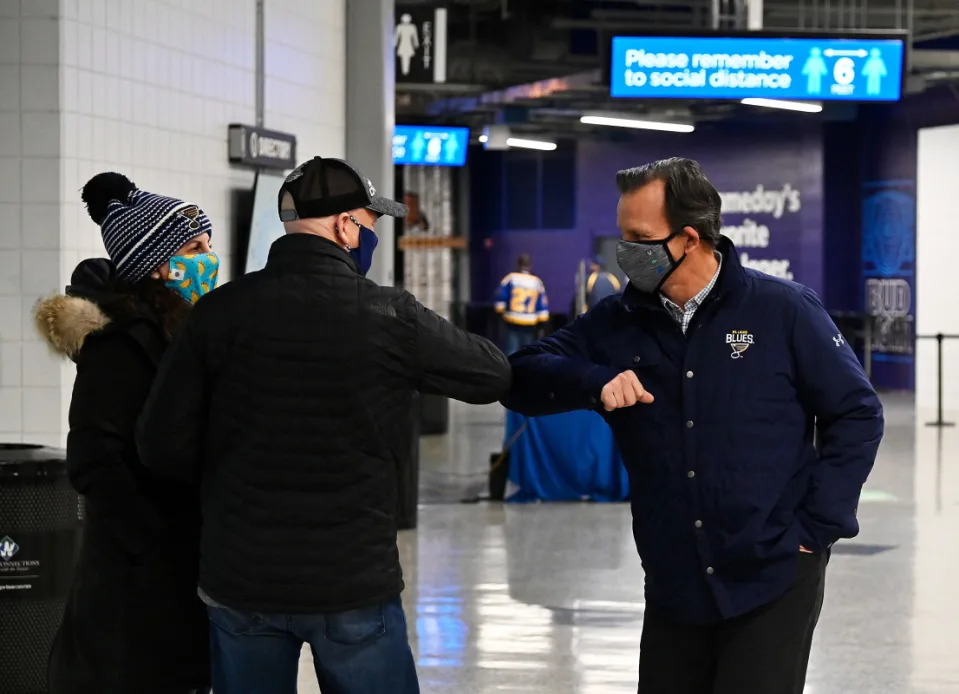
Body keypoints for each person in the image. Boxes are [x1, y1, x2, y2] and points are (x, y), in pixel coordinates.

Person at [502, 157, 884, 694]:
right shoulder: (617, 322)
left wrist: (817, 527)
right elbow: (519, 376)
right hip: (673, 583)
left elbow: (857, 413)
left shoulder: (783, 311)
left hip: (772, 574)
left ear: (689, 238)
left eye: (639, 237)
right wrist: (595, 381)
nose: (625, 250)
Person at [136, 156, 511, 694]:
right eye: (372, 223)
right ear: (344, 226)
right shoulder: (388, 314)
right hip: (352, 581)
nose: (373, 236)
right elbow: (491, 374)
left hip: (242, 578)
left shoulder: (215, 313)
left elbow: (160, 446)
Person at [34, 173, 215, 694]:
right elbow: (93, 459)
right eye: (196, 246)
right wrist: (154, 542)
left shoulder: (177, 330)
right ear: (158, 264)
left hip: (176, 570)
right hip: (136, 585)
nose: (209, 257)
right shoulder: (120, 347)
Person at [494, 253, 550, 354]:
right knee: (526, 352)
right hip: (529, 322)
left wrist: (499, 313)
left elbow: (500, 297)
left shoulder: (511, 278)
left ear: (518, 264)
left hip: (512, 320)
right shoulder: (537, 282)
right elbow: (542, 305)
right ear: (530, 265)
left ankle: (511, 368)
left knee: (511, 350)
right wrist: (542, 323)